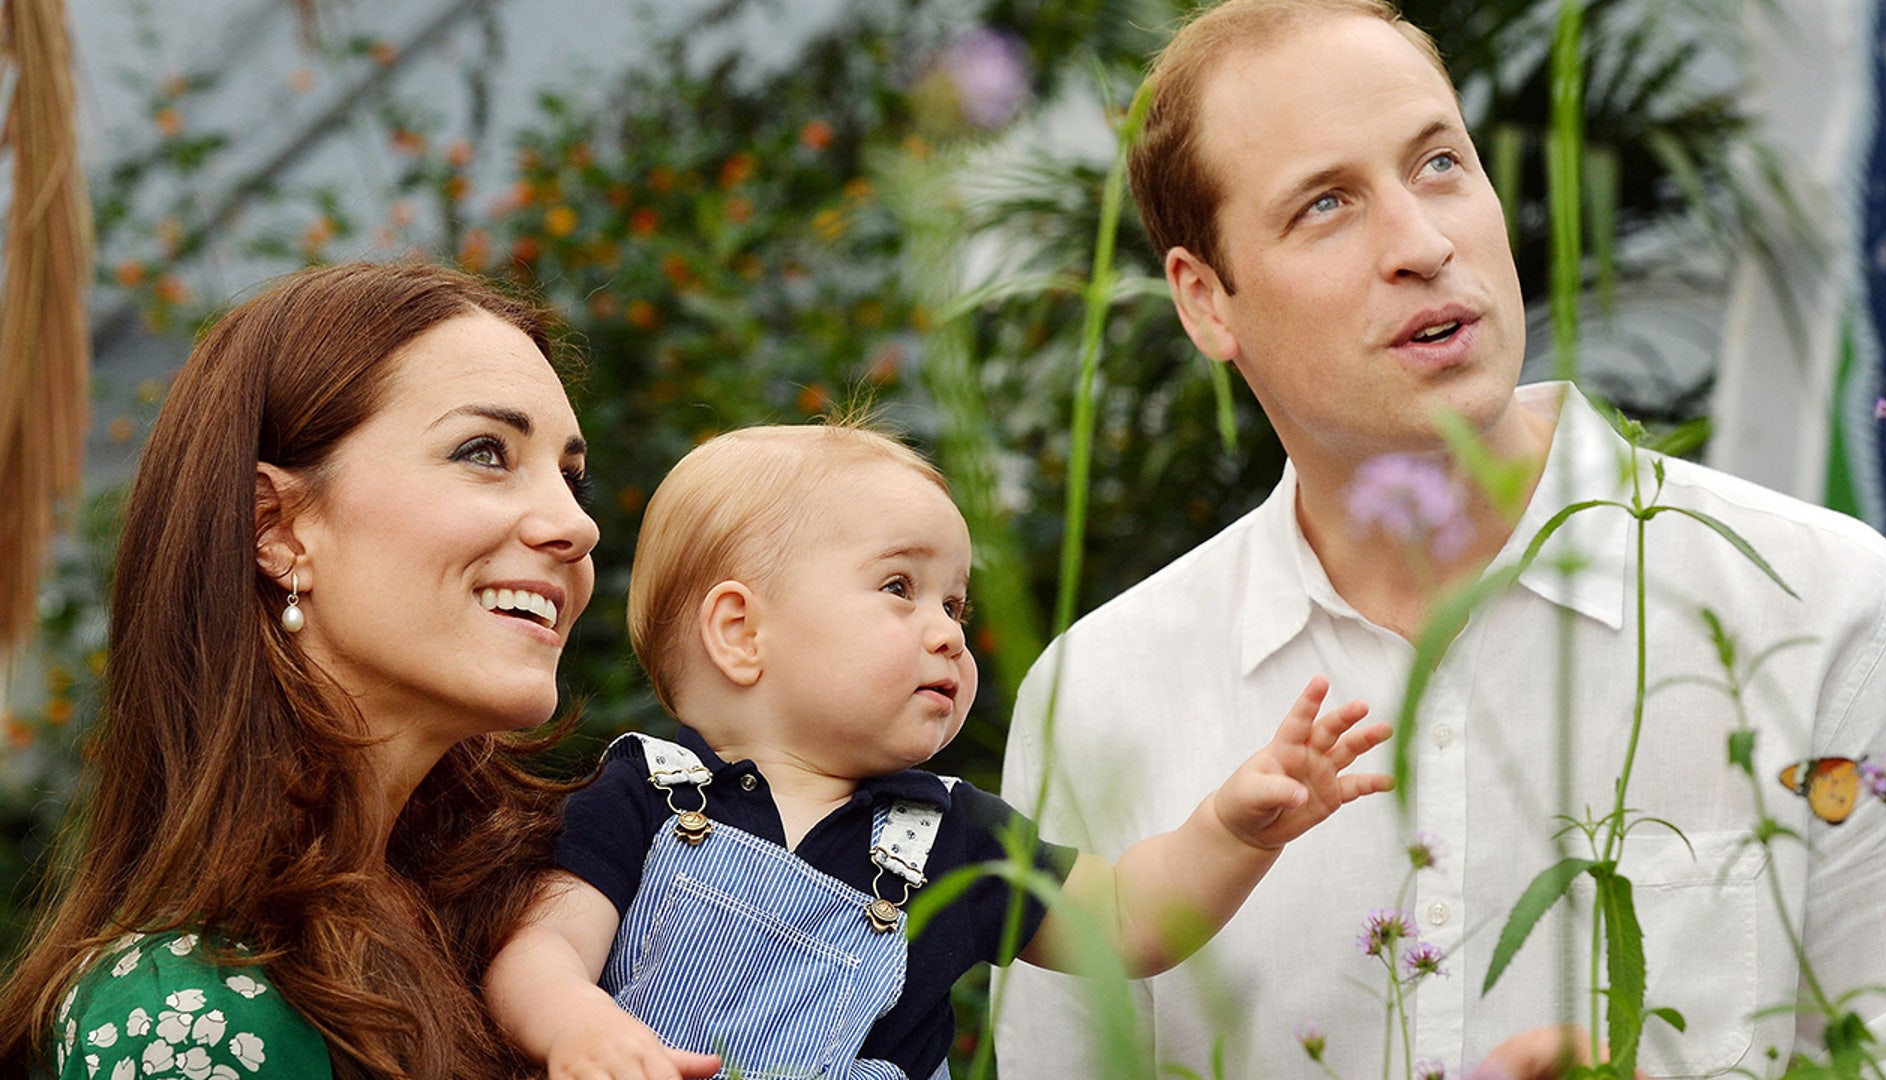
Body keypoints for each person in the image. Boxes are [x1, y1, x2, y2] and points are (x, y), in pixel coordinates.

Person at [993, 1, 1886, 1077]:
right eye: (1327, 204)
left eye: (1439, 163)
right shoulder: (1101, 695)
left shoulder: (1827, 608)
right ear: (1205, 304)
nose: (1426, 245)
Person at [481, 422, 1395, 1080]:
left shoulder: (954, 833)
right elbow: (538, 952)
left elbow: (1127, 922)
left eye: (954, 604)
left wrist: (1235, 832)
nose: (948, 632)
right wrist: (579, 1028)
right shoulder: (644, 795)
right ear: (740, 631)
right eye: (899, 587)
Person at [0, 262, 602, 1078]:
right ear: (276, 529)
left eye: (571, 476)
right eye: (485, 452)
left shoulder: (545, 933)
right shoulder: (192, 1011)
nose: (576, 526)